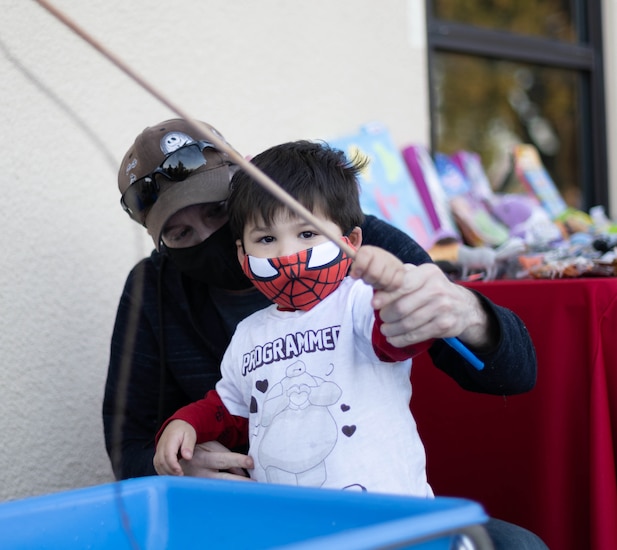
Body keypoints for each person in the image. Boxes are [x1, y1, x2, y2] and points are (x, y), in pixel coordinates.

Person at [104, 119, 545, 548]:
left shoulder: (344, 236)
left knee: (515, 545)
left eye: (218, 212)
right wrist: (178, 469)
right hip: (256, 517)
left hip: (375, 501)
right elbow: (129, 441)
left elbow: (514, 372)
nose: (207, 237)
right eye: (181, 234)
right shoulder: (154, 289)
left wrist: (467, 313)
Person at [154, 141, 435, 497]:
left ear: (351, 241)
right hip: (288, 523)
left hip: (387, 515)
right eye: (266, 239)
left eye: (307, 234)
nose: (287, 255)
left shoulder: (361, 302)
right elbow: (230, 411)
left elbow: (402, 336)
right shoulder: (248, 334)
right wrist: (186, 423)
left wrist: (394, 287)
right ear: (242, 254)